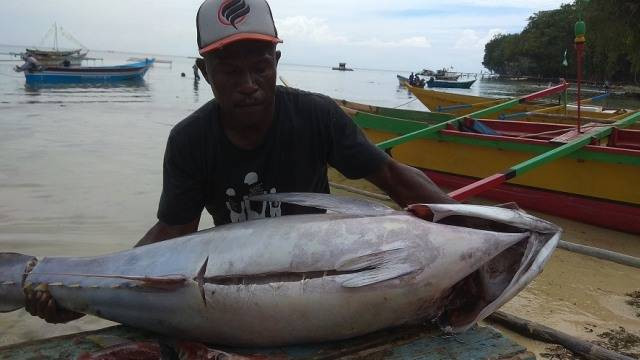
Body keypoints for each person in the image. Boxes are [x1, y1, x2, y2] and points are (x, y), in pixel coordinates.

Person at [25, 0, 457, 324]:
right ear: (203, 71)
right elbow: (174, 232)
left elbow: (390, 176)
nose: (248, 84)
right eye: (229, 70)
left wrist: (466, 225)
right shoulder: (190, 140)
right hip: (239, 281)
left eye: (260, 66)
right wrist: (79, 297)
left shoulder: (318, 116)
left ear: (277, 63)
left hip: (327, 272)